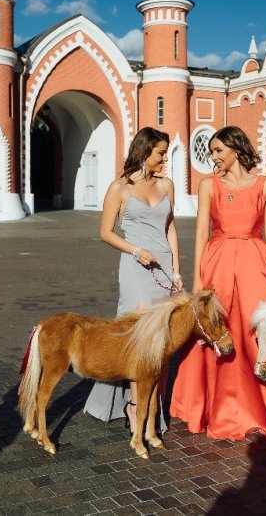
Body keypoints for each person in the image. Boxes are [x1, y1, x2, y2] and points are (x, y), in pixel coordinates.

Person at [169, 125, 266, 447]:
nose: (213, 156)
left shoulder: (265, 185)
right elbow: (202, 232)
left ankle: (265, 410)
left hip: (255, 264)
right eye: (212, 151)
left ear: (236, 149)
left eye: (218, 150)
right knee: (220, 331)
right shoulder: (208, 185)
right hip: (217, 262)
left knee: (258, 331)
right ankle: (218, 408)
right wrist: (198, 280)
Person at [83, 127, 183, 434]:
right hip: (136, 267)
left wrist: (177, 271)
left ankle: (151, 404)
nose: (165, 158)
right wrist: (136, 250)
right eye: (161, 153)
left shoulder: (167, 185)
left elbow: (170, 229)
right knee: (139, 337)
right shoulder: (119, 188)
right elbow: (105, 233)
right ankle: (135, 406)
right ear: (145, 152)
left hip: (164, 268)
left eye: (165, 152)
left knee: (161, 341)